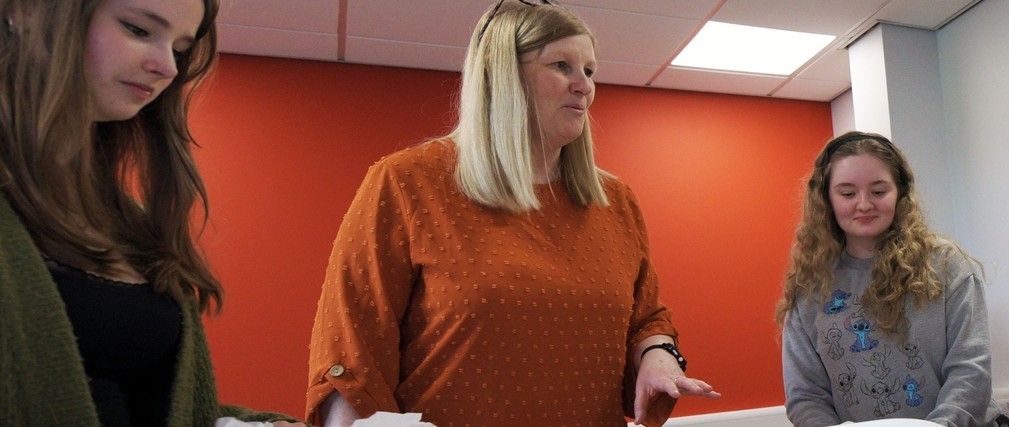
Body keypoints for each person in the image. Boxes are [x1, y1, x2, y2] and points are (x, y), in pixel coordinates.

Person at [304, 1, 717, 425]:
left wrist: (657, 356)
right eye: (562, 65)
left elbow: (647, 318)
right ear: (501, 75)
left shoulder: (615, 201)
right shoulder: (407, 181)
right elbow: (351, 348)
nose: (584, 86)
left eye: (589, 71)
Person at [0, 0, 298, 425]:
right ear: (24, 11)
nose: (167, 67)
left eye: (180, 49)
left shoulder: (126, 218)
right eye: (137, 29)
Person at [777, 131, 1006, 427]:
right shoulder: (810, 286)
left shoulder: (947, 264)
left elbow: (971, 371)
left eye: (878, 191)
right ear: (826, 200)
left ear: (900, 192)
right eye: (847, 193)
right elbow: (806, 396)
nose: (864, 204)